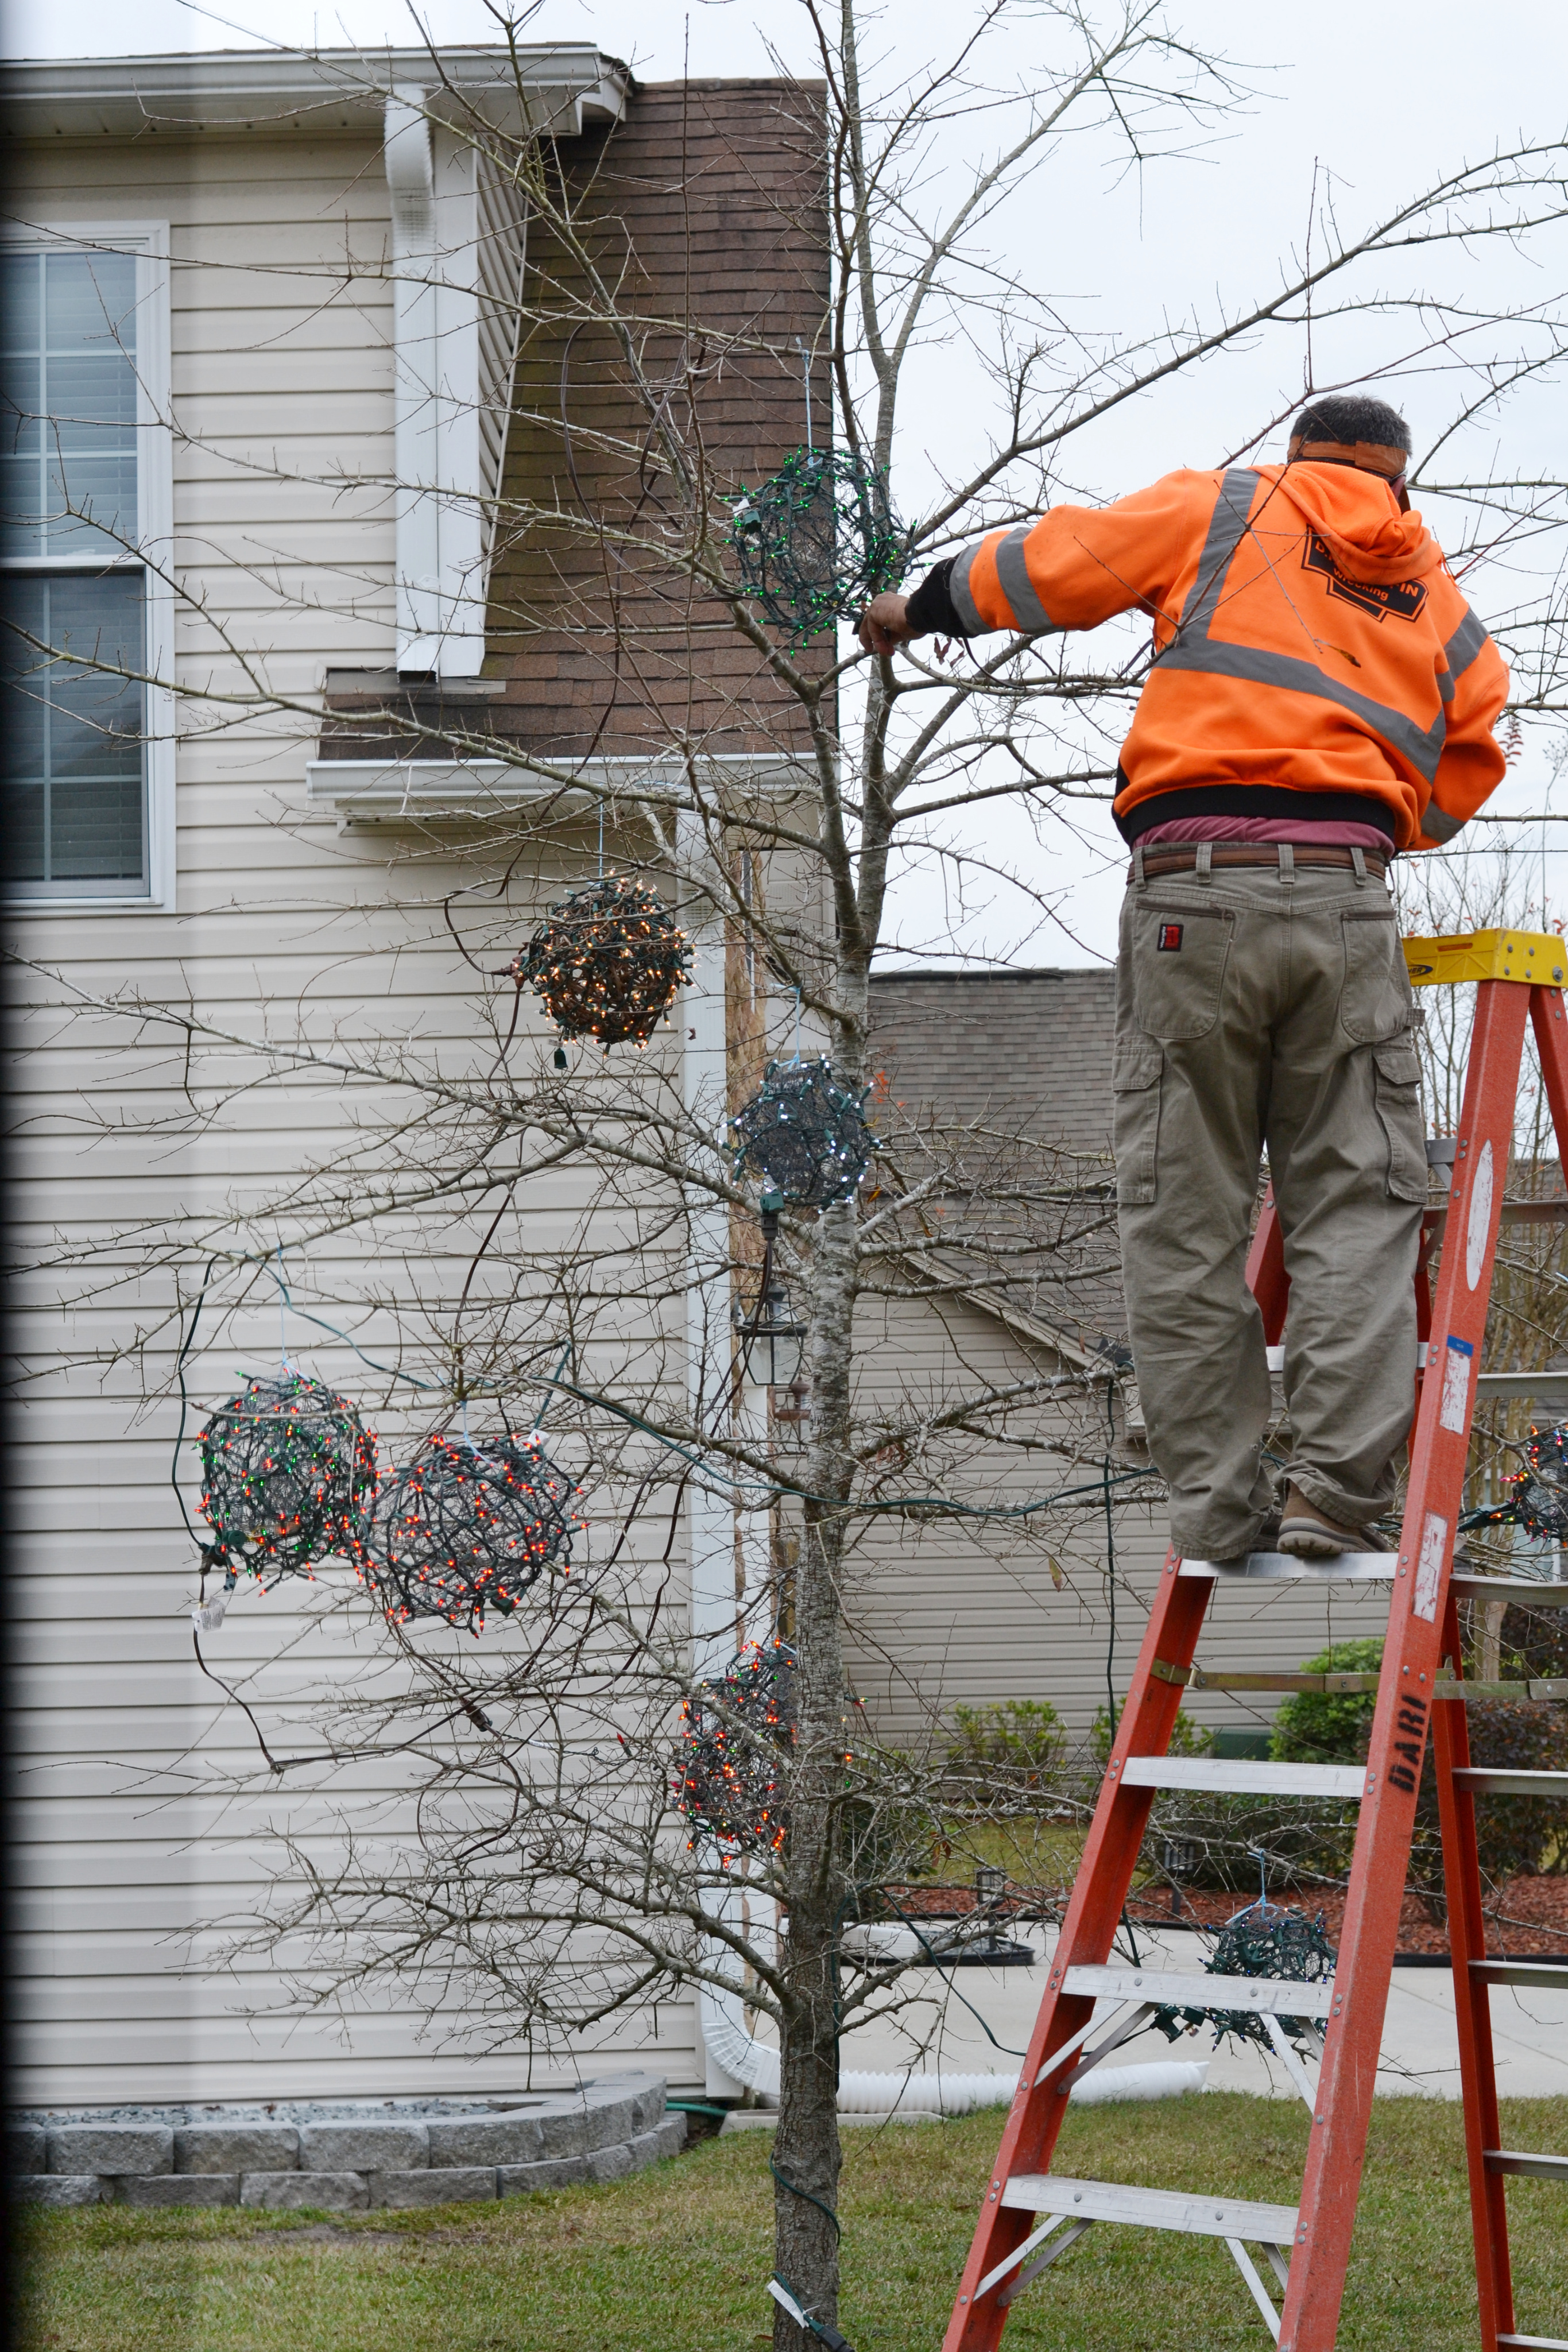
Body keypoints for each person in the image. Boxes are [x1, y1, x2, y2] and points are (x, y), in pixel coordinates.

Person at [859, 394, 1509, 1565]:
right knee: (1356, 1212)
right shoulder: (1432, 595)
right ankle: (1334, 1500)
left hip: (1191, 895)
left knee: (1183, 1214)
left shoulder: (1227, 507)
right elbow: (1473, 743)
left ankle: (1219, 1508)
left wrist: (923, 604)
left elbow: (1059, 561)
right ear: (1395, 486)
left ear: (1298, 454)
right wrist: (1391, 821)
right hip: (1346, 899)